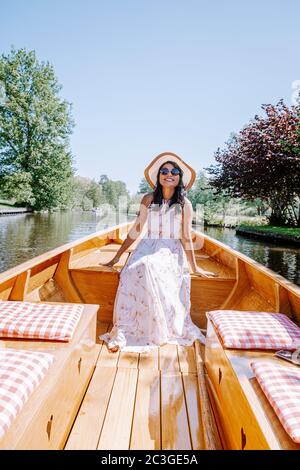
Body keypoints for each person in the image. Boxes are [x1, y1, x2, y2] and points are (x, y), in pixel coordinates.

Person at [99, 152, 219, 353]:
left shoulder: (184, 204)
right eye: (164, 171)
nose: (168, 174)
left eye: (174, 171)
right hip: (147, 245)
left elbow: (186, 237)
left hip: (171, 250)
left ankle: (157, 329)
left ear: (179, 177)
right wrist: (117, 257)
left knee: (148, 266)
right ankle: (128, 328)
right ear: (159, 176)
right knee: (131, 269)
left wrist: (195, 267)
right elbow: (136, 230)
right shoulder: (147, 199)